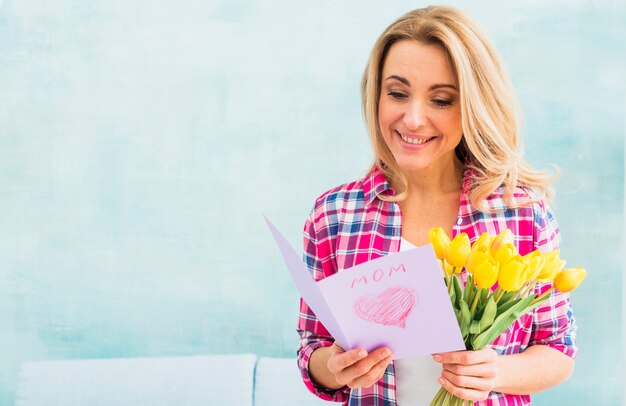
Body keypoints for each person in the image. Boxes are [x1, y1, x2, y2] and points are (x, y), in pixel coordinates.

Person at [296, 5, 577, 405]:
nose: (413, 119)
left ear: (474, 106)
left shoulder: (521, 213)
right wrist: (335, 367)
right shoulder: (334, 215)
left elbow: (558, 350)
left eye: (441, 100)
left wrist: (495, 371)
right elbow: (312, 348)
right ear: (376, 95)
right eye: (397, 93)